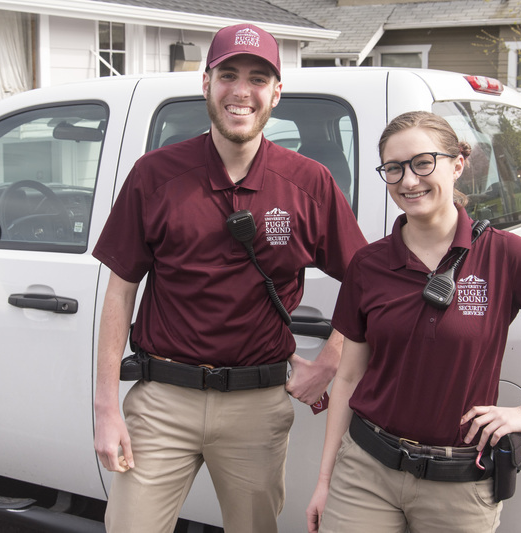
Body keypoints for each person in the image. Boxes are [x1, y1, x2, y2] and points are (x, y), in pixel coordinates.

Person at [92, 23, 368, 533]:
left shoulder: (310, 184)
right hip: (161, 401)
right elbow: (121, 288)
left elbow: (367, 285)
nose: (241, 91)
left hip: (257, 406)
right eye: (229, 75)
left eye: (258, 78)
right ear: (206, 83)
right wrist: (105, 407)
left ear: (276, 93)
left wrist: (329, 362)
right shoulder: (154, 175)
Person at [305, 111, 521, 533]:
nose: (408, 181)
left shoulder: (506, 255)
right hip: (366, 473)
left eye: (423, 163)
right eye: (394, 168)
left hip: (458, 485)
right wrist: (326, 480)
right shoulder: (369, 265)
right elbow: (348, 379)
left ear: (457, 164)